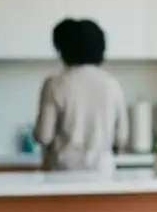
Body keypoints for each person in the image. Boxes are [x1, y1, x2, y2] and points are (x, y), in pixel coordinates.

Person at [33, 18, 128, 173]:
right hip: (103, 174)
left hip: (63, 173)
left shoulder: (55, 84)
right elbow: (122, 137)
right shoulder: (112, 84)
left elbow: (44, 136)